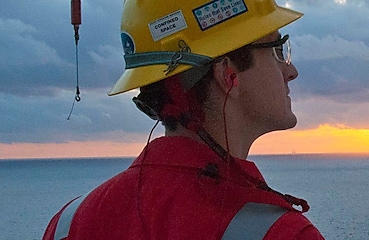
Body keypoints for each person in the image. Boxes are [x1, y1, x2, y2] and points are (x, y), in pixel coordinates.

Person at [43, 0, 323, 239]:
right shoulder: (281, 233)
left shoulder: (68, 224)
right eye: (277, 51)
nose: (291, 71)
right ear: (228, 75)